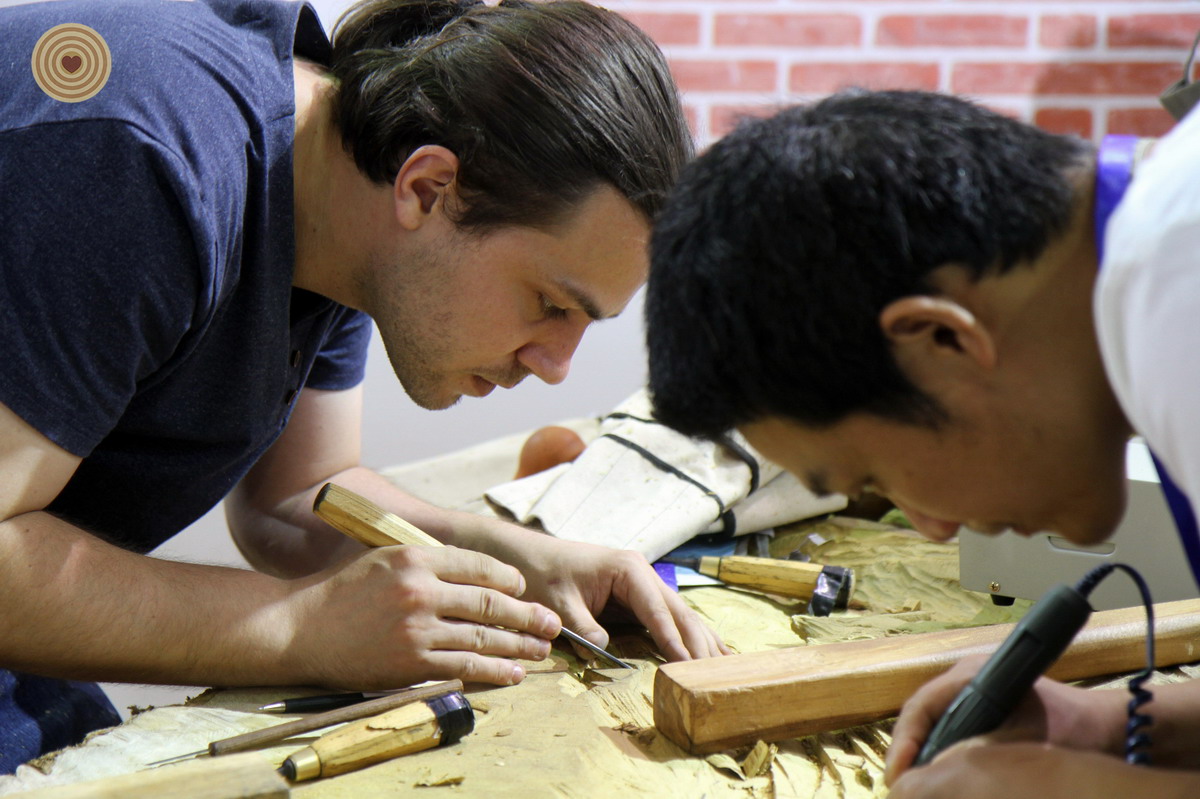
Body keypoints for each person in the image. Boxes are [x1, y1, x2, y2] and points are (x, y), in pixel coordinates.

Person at [0, 0, 728, 769]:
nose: (554, 365)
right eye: (551, 304)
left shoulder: (351, 212)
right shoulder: (143, 164)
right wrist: (299, 628)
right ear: (427, 188)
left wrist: (511, 557)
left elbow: (300, 495)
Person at [644, 89, 1200, 797]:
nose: (932, 529)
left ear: (941, 341)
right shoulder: (1164, 258)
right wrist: (1106, 727)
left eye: (873, 476)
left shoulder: (1183, 304)